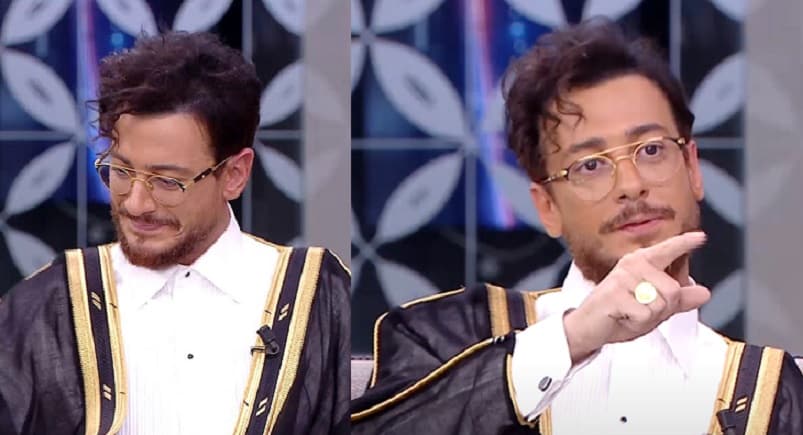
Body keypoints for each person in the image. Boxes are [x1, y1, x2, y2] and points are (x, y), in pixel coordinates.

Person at [351, 18, 802, 435]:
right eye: (590, 165)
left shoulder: (770, 394)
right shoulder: (447, 338)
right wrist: (573, 339)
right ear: (546, 206)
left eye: (650, 150)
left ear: (692, 168)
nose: (631, 185)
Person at [0, 31, 350, 435]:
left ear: (234, 175)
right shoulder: (50, 304)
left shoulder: (319, 298)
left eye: (167, 181)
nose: (136, 204)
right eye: (121, 171)